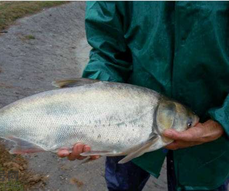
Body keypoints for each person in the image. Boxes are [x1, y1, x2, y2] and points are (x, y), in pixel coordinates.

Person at [58, 2, 229, 190]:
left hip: (212, 139)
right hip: (127, 124)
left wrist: (222, 121)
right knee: (122, 185)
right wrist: (92, 115)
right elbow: (107, 50)